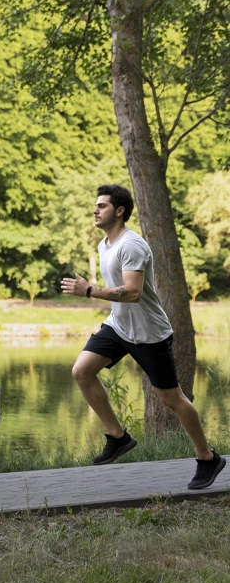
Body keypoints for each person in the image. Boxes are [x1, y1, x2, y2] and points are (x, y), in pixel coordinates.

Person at [61, 184, 225, 490]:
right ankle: (118, 437)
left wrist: (89, 291)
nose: (95, 210)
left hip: (149, 334)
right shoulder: (104, 245)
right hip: (118, 327)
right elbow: (119, 294)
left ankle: (208, 458)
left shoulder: (131, 245)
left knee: (170, 398)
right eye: (95, 205)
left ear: (119, 210)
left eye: (102, 205)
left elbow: (134, 293)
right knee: (81, 371)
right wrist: (107, 315)